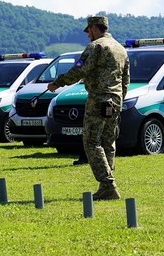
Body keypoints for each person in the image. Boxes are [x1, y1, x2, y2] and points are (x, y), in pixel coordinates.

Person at [47, 16, 130, 201]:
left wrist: (57, 83)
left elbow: (79, 70)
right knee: (108, 142)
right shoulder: (121, 49)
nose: (88, 35)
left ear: (94, 28)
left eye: (88, 31)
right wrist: (120, 100)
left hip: (98, 99)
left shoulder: (96, 47)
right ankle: (107, 185)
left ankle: (108, 184)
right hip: (115, 100)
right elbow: (126, 80)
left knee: (91, 142)